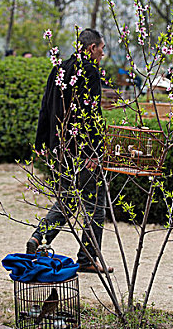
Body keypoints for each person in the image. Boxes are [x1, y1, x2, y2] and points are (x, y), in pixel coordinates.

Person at [27, 28, 113, 274]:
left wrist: (42, 143)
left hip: (60, 148)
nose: (102, 53)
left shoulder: (58, 69)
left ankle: (39, 239)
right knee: (96, 204)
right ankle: (87, 258)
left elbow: (45, 107)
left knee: (68, 199)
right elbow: (92, 115)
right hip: (82, 150)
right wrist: (94, 152)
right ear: (90, 48)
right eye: (101, 48)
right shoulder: (90, 72)